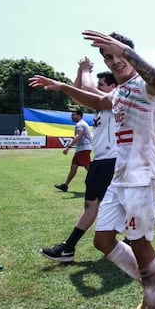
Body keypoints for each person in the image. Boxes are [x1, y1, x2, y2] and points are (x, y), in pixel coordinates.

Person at [29, 30, 155, 309]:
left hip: (143, 175)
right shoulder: (118, 93)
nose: (114, 61)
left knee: (139, 243)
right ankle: (152, 284)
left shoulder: (146, 86)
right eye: (109, 57)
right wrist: (62, 86)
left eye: (119, 55)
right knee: (103, 241)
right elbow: (96, 98)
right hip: (120, 178)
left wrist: (126, 51)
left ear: (130, 55)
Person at [40, 59, 118, 262]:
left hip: (111, 161)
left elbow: (88, 88)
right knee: (94, 205)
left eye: (102, 85)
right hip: (101, 160)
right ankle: (69, 248)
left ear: (113, 87)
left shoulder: (115, 99)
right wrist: (79, 71)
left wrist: (85, 71)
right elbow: (80, 93)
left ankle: (69, 247)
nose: (98, 88)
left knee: (111, 205)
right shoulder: (102, 106)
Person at [54, 109, 92, 192]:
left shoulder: (80, 124)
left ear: (79, 115)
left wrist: (68, 147)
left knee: (88, 168)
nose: (72, 117)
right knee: (74, 167)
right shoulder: (82, 123)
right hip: (82, 149)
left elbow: (78, 136)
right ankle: (65, 185)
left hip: (83, 149)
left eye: (73, 115)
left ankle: (101, 183)